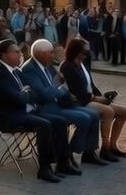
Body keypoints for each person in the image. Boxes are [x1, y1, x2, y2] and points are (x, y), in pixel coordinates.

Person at [0, 38, 69, 183]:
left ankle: (63, 163)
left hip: (26, 111)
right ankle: (44, 169)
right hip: (12, 116)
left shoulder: (16, 71)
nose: (20, 55)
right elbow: (19, 99)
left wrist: (26, 92)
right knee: (44, 125)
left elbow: (33, 92)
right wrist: (26, 92)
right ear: (4, 55)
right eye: (15, 52)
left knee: (60, 121)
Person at [20, 39, 105, 170]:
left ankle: (88, 152)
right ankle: (67, 153)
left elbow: (59, 84)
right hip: (45, 107)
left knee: (93, 115)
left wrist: (62, 90)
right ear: (42, 53)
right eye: (51, 52)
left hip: (59, 103)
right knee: (84, 118)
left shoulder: (47, 65)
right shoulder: (29, 69)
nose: (53, 55)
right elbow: (45, 94)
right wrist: (57, 87)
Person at [60, 39, 126, 161]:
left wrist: (103, 97)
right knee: (108, 111)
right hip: (79, 102)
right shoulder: (67, 66)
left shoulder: (83, 65)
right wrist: (97, 98)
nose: (87, 54)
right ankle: (105, 149)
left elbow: (91, 85)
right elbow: (77, 91)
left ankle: (113, 145)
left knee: (123, 111)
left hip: (91, 99)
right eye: (85, 51)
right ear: (77, 51)